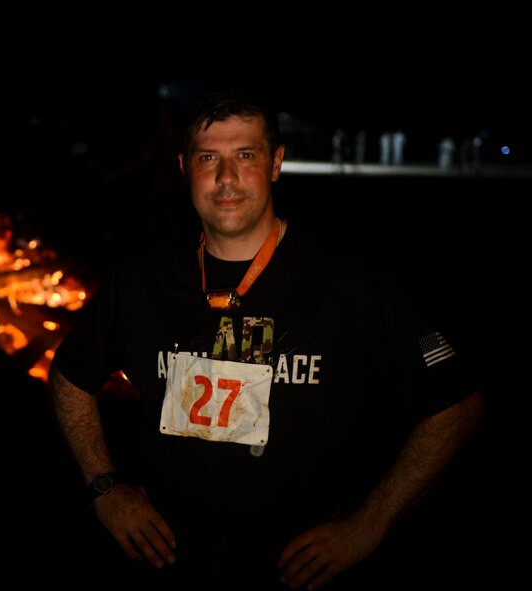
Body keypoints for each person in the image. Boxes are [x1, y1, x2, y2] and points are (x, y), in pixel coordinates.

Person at [48, 87, 485, 590]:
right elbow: (69, 379)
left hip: (298, 576)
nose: (226, 178)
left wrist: (370, 523)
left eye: (246, 156)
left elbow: (455, 403)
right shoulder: (141, 279)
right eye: (209, 157)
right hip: (167, 570)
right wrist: (106, 490)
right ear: (185, 167)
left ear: (276, 163)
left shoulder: (350, 283)